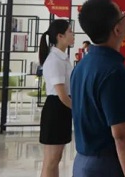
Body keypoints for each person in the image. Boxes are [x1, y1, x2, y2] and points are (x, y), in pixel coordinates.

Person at [71, 0, 125, 177]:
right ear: (117, 29)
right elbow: (122, 135)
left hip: (82, 161)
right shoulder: (114, 72)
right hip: (106, 166)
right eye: (122, 14)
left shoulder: (82, 65)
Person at [38, 19, 75, 177]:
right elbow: (62, 94)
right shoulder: (55, 60)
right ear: (60, 36)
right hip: (57, 109)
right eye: (70, 31)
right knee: (52, 160)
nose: (73, 35)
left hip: (61, 108)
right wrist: (78, 109)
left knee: (54, 159)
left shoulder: (61, 58)